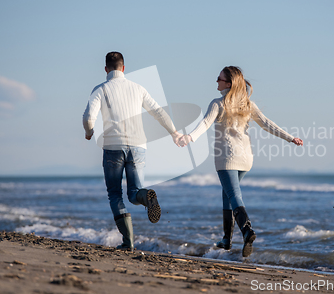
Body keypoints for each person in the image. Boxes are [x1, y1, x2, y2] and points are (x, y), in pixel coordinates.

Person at [178, 66, 303, 257]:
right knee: (228, 194)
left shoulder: (218, 103)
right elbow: (267, 124)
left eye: (219, 79)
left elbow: (204, 124)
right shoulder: (247, 104)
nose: (216, 82)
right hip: (246, 159)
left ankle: (247, 230)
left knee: (234, 195)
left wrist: (189, 137)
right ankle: (226, 240)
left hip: (226, 158)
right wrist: (290, 138)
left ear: (228, 83)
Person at [83, 52, 182, 251]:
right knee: (134, 192)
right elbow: (158, 112)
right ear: (124, 68)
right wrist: (174, 133)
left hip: (113, 147)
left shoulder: (100, 89)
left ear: (106, 69)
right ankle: (147, 197)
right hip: (138, 146)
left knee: (115, 194)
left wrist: (89, 132)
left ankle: (128, 242)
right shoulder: (138, 88)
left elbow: (88, 117)